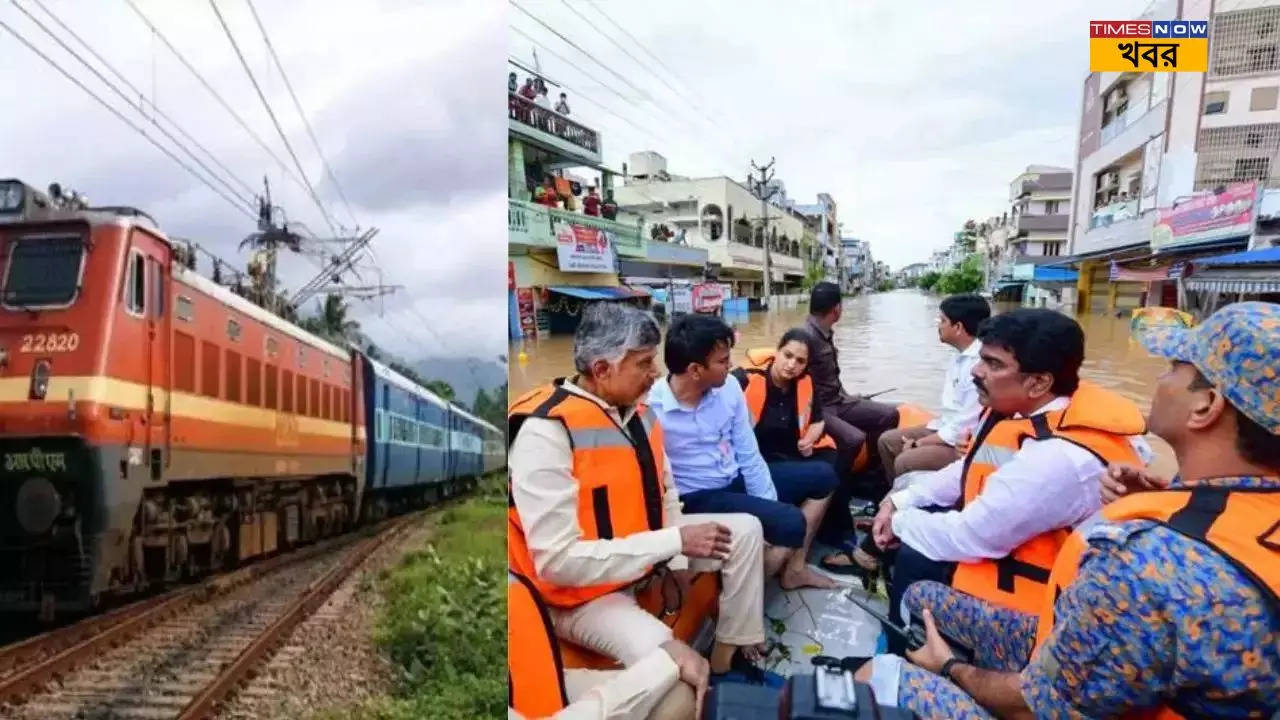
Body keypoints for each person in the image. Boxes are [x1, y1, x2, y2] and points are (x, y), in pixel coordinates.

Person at [856, 301, 1280, 717]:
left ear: (1205, 405)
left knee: (878, 675)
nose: (1160, 380)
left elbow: (1037, 702)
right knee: (918, 593)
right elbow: (970, 471)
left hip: (1047, 677)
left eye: (1173, 367)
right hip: (1083, 641)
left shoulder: (1142, 563)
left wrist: (949, 667)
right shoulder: (1229, 507)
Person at [508, 302, 771, 688]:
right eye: (645, 363)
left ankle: (728, 651)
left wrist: (677, 561)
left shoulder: (640, 413)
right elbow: (557, 562)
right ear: (602, 370)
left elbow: (667, 496)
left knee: (747, 530)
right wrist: (673, 542)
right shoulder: (545, 432)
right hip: (579, 596)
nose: (657, 373)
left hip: (642, 558)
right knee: (673, 666)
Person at [872, 309, 1149, 648]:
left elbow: (971, 537)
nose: (976, 370)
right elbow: (972, 466)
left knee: (914, 556)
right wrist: (902, 501)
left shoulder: (1056, 459)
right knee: (914, 502)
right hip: (1009, 538)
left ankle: (906, 653)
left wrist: (897, 521)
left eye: (994, 364)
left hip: (1042, 613)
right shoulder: (1040, 413)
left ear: (1039, 382)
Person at [647, 315, 829, 599]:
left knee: (824, 477)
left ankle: (792, 570)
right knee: (791, 522)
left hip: (734, 475)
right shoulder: (651, 407)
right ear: (695, 370)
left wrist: (767, 505)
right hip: (698, 494)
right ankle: (743, 597)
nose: (730, 366)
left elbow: (748, 453)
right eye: (722, 361)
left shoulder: (729, 387)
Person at [729, 328, 841, 591]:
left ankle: (802, 563)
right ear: (776, 353)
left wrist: (810, 439)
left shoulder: (804, 383)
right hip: (754, 465)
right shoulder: (744, 380)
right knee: (825, 477)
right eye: (787, 355)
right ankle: (794, 566)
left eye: (800, 361)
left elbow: (817, 421)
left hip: (787, 457)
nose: (792, 365)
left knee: (832, 463)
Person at [508, 570, 697, 720]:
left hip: (534, 689)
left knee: (675, 694)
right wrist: (662, 664)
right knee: (662, 663)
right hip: (569, 599)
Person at [878, 294, 989, 484]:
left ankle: (903, 504)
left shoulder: (978, 366)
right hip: (945, 426)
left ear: (958, 327)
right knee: (887, 441)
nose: (939, 325)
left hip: (963, 442)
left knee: (905, 460)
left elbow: (964, 426)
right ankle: (891, 494)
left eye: (943, 320)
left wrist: (920, 443)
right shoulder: (959, 356)